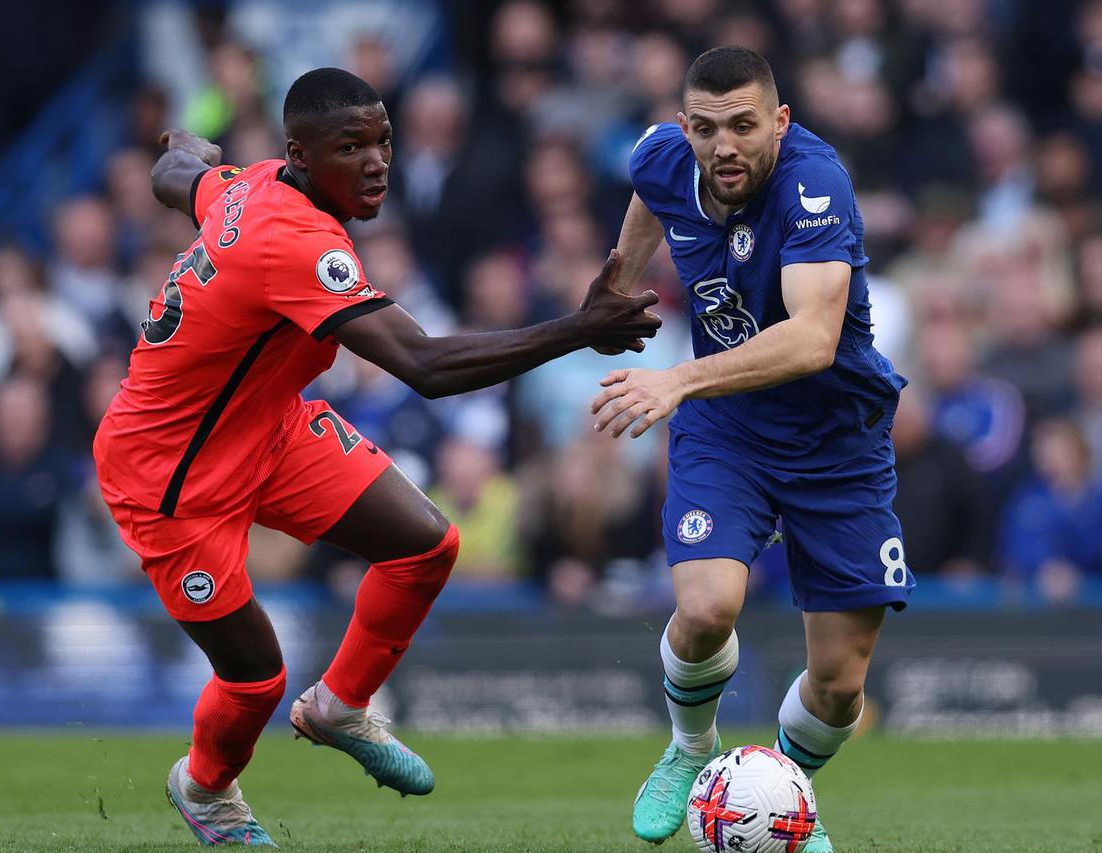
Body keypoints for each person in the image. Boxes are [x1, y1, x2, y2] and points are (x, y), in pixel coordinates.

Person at [92, 67, 660, 847]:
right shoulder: (290, 238)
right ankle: (206, 787)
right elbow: (424, 367)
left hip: (265, 427)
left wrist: (186, 144)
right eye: (351, 146)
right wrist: (577, 327)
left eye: (384, 140)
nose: (376, 161)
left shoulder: (247, 184)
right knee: (256, 676)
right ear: (300, 154)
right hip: (169, 474)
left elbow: (173, 174)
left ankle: (341, 706)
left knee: (427, 543)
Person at [587, 47, 910, 852]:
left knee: (839, 687)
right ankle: (692, 751)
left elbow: (811, 339)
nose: (723, 146)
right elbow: (650, 192)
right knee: (704, 609)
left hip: (837, 437)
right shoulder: (665, 155)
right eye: (705, 128)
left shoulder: (813, 183)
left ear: (780, 121)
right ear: (683, 125)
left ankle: (784, 792)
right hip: (729, 425)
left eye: (742, 126)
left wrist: (677, 380)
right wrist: (620, 278)